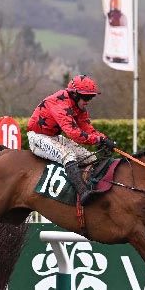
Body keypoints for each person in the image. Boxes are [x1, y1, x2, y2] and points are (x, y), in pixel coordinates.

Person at [27, 75, 117, 205]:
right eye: (86, 97)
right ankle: (83, 192)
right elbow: (73, 133)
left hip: (54, 137)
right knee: (68, 155)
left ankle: (94, 187)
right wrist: (98, 140)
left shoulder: (79, 107)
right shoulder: (59, 103)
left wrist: (104, 138)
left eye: (91, 97)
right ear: (74, 94)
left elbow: (88, 129)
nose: (88, 100)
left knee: (90, 157)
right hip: (37, 137)